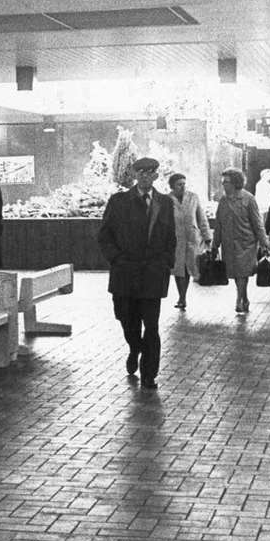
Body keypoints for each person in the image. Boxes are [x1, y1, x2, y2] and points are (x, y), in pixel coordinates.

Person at [97, 157, 176, 390]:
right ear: (134, 174)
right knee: (127, 321)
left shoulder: (165, 203)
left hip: (153, 274)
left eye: (149, 172)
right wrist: (117, 259)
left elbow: (170, 236)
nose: (144, 176)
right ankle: (134, 348)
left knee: (151, 326)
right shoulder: (119, 201)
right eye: (140, 172)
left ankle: (149, 373)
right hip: (125, 274)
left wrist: (166, 263)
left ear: (155, 176)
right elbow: (105, 236)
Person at [211, 168, 270, 314]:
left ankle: (240, 299)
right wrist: (215, 244)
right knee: (236, 273)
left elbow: (258, 223)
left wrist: (265, 243)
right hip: (229, 243)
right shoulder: (223, 200)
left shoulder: (248, 199)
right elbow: (218, 224)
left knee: (242, 272)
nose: (223, 185)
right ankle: (244, 297)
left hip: (246, 243)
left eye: (226, 182)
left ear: (236, 183)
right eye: (223, 182)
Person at [166, 172, 210, 310]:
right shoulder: (166, 200)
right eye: (179, 184)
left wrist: (207, 236)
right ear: (172, 186)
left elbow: (201, 218)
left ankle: (183, 296)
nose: (183, 187)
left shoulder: (193, 197)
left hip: (192, 238)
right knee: (178, 268)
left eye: (184, 184)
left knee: (189, 267)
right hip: (175, 240)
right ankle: (181, 297)